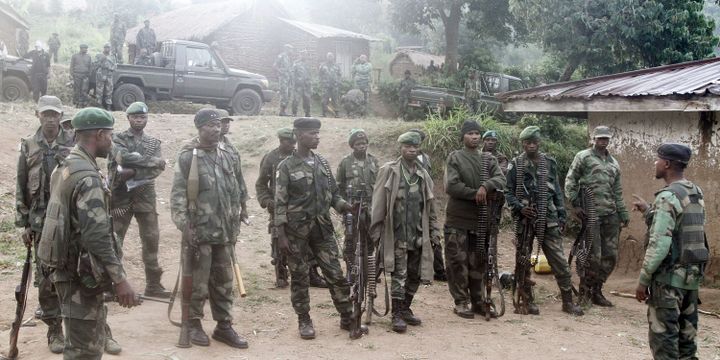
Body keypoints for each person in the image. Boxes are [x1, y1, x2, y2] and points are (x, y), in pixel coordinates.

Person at [38, 107, 141, 358]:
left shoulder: (66, 166)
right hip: (78, 275)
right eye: (110, 135)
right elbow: (96, 236)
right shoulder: (88, 177)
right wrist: (120, 279)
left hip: (67, 268)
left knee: (79, 343)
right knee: (85, 350)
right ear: (99, 134)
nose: (112, 141)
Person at [170, 109, 248, 349]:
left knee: (223, 280)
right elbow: (177, 197)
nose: (216, 129)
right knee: (198, 281)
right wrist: (185, 226)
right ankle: (193, 323)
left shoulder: (227, 154)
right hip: (200, 232)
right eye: (210, 125)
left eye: (217, 125)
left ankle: (224, 326)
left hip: (225, 231)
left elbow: (237, 186)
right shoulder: (188, 156)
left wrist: (240, 211)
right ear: (199, 128)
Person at [274, 117, 357, 340]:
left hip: (322, 230)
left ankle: (347, 316)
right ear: (299, 135)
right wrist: (281, 235)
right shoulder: (286, 167)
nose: (317, 137)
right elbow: (279, 203)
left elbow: (334, 194)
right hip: (296, 233)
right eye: (312, 133)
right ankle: (304, 320)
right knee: (300, 278)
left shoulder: (322, 162)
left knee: (335, 274)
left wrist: (344, 206)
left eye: (318, 133)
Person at [632, 143, 708, 360]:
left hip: (668, 282)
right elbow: (681, 229)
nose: (655, 163)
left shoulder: (667, 197)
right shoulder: (694, 191)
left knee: (664, 344)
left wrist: (643, 281)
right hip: (690, 280)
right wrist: (648, 210)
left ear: (666, 164)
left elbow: (659, 245)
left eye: (657, 159)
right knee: (687, 346)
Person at [15, 96, 74, 354]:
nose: (50, 119)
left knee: (73, 272)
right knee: (46, 277)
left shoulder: (73, 143)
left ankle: (82, 327)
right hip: (40, 223)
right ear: (37, 115)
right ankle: (54, 330)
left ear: (61, 116)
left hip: (69, 220)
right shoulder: (29, 145)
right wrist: (23, 223)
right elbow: (20, 185)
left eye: (55, 114)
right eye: (45, 114)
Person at [505, 126, 584, 316]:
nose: (531, 145)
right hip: (525, 218)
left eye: (534, 142)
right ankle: (526, 300)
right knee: (523, 262)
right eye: (527, 142)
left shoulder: (549, 163)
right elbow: (508, 191)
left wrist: (562, 215)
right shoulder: (516, 164)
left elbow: (556, 190)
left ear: (539, 143)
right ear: (523, 144)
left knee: (559, 261)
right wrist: (519, 207)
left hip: (548, 217)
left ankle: (567, 302)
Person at [370, 131, 440, 333]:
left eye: (415, 147)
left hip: (418, 235)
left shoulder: (423, 174)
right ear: (400, 148)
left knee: (416, 274)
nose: (412, 150)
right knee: (398, 275)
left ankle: (406, 307)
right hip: (397, 234)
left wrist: (434, 232)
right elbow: (378, 204)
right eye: (408, 146)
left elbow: (430, 207)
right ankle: (397, 314)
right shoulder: (389, 171)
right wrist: (375, 232)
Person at [443, 120, 505, 319]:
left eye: (477, 133)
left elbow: (501, 179)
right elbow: (451, 186)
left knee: (478, 261)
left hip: (481, 220)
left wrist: (485, 187)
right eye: (470, 133)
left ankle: (479, 300)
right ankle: (461, 302)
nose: (475, 137)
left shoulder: (489, 159)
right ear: (463, 137)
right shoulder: (455, 157)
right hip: (458, 219)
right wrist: (475, 194)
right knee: (457, 262)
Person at [108, 102, 170, 298]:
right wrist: (149, 163)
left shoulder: (153, 143)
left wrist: (132, 170)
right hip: (121, 197)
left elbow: (158, 169)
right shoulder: (117, 138)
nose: (139, 120)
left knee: (151, 241)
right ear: (128, 118)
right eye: (135, 117)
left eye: (142, 117)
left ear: (147, 119)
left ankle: (153, 284)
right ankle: (112, 284)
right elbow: (121, 157)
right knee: (115, 241)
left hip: (145, 196)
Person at [565, 126, 629, 306]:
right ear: (594, 138)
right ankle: (584, 292)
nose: (603, 141)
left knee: (610, 256)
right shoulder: (583, 156)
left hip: (610, 214)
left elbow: (617, 190)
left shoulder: (614, 163)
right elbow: (571, 179)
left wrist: (623, 212)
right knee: (593, 255)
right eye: (600, 138)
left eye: (606, 138)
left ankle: (597, 290)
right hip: (590, 213)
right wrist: (575, 204)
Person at [256, 128, 296, 288]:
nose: (293, 145)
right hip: (277, 205)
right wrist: (266, 201)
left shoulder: (298, 156)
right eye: (289, 142)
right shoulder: (271, 158)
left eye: (294, 142)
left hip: (297, 206)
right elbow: (261, 184)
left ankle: (309, 272)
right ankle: (280, 273)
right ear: (281, 141)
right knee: (278, 238)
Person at [336, 129, 379, 269]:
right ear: (352, 146)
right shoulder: (345, 162)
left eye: (364, 143)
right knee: (350, 239)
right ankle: (351, 269)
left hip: (370, 206)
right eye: (358, 144)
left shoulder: (373, 161)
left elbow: (379, 184)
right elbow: (338, 186)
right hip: (352, 206)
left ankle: (368, 269)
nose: (362, 146)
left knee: (370, 238)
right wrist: (344, 206)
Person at [407, 128, 446, 281]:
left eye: (418, 142)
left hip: (427, 200)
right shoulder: (405, 159)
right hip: (413, 202)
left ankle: (440, 271)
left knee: (434, 233)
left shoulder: (426, 158)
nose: (415, 146)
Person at [273, 44, 294, 116]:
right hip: (283, 79)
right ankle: (281, 111)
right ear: (287, 49)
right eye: (291, 49)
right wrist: (280, 72)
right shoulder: (281, 56)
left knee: (288, 94)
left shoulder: (288, 58)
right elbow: (275, 66)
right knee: (284, 94)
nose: (292, 51)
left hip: (288, 80)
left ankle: (284, 111)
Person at [94, 43, 117, 110]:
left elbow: (115, 66)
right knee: (99, 91)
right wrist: (101, 60)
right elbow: (95, 64)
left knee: (109, 91)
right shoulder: (99, 55)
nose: (107, 49)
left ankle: (108, 106)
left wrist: (110, 68)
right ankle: (99, 105)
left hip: (109, 75)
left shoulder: (112, 56)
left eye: (108, 47)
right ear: (103, 48)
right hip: (100, 74)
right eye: (106, 47)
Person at [319, 52, 341, 117]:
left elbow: (339, 75)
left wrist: (338, 82)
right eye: (329, 56)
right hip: (326, 85)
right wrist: (322, 82)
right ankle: (323, 113)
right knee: (324, 99)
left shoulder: (337, 65)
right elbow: (320, 74)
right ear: (326, 57)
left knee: (335, 99)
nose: (330, 57)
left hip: (335, 85)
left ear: (333, 57)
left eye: (331, 56)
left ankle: (336, 113)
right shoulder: (323, 65)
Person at [291, 51, 312, 117]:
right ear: (300, 55)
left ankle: (307, 113)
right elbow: (292, 73)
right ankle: (294, 113)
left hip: (306, 85)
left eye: (305, 55)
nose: (304, 56)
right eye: (303, 55)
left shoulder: (308, 64)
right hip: (298, 85)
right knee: (296, 99)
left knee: (307, 100)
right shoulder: (296, 63)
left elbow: (310, 74)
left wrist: (310, 83)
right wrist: (295, 81)